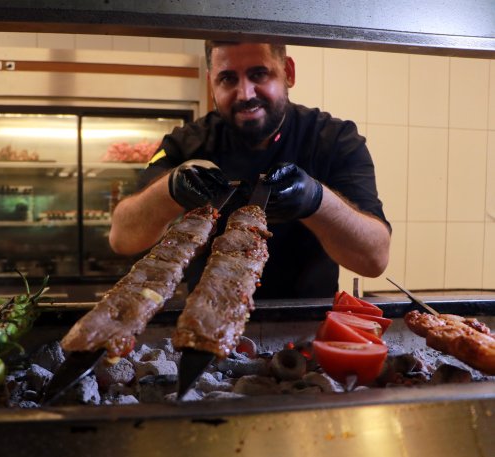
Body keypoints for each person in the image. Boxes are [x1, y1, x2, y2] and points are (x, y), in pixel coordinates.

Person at [108, 41, 391, 299]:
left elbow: (374, 259)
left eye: (259, 74)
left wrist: (316, 199)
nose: (245, 94)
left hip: (306, 323)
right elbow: (122, 239)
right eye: (228, 78)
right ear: (211, 84)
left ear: (288, 72)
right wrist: (170, 189)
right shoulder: (187, 143)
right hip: (203, 320)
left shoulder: (335, 139)